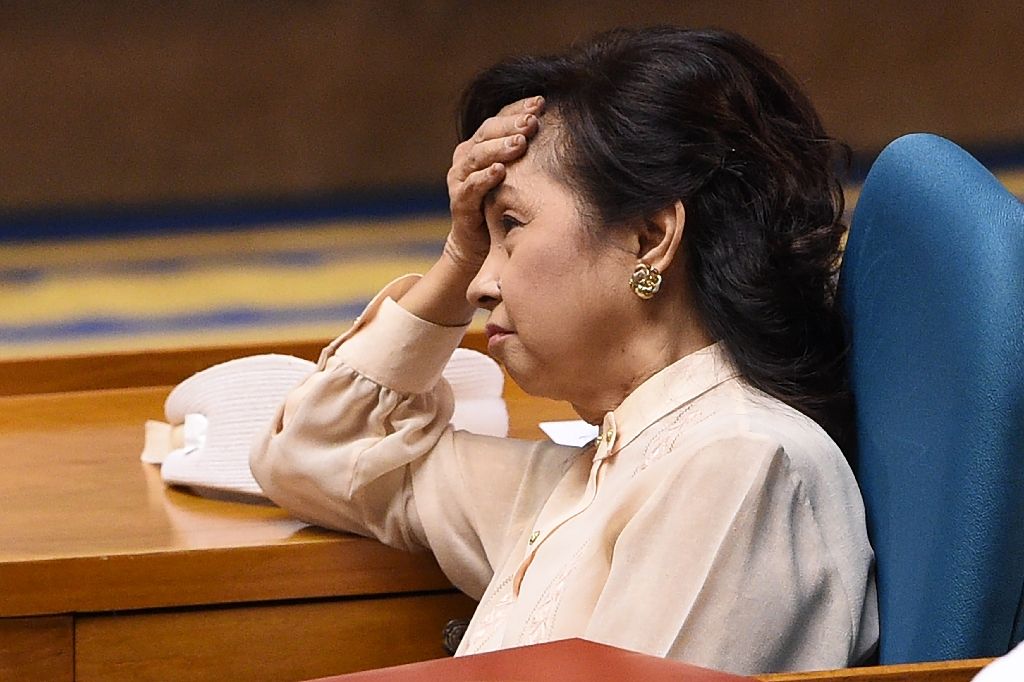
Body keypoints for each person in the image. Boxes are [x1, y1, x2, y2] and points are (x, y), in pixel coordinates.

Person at [251, 26, 878, 675]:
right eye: (479, 243)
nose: (479, 285)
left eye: (510, 228)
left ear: (650, 237)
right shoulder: (596, 466)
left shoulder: (739, 464)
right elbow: (314, 452)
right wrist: (457, 252)